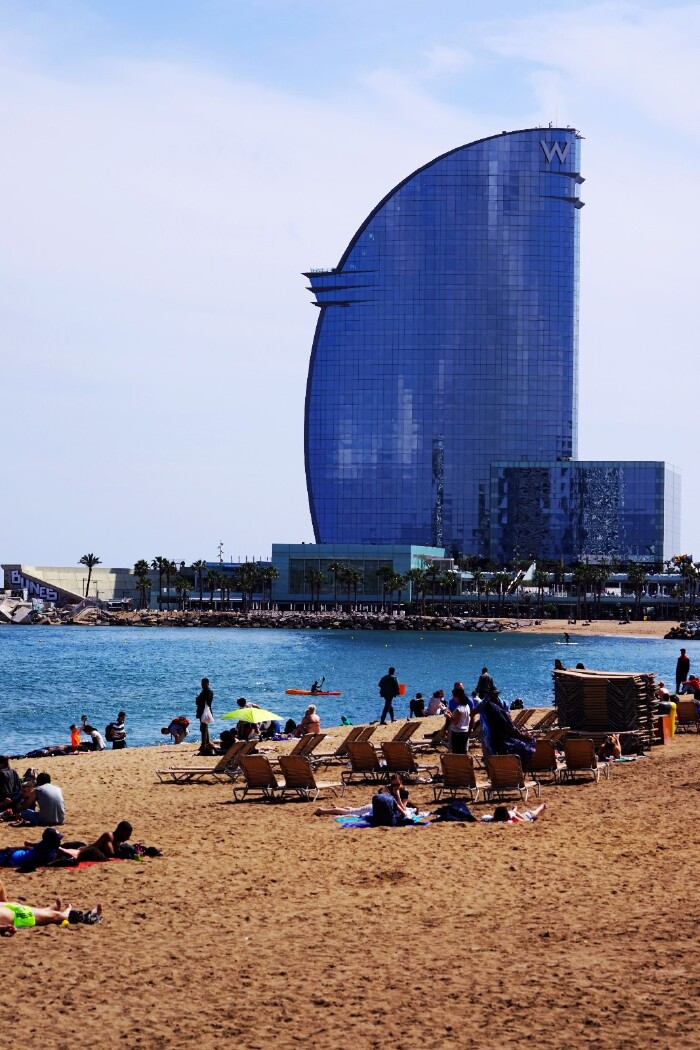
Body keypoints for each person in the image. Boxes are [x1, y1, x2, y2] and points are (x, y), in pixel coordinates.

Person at [0, 881, 102, 935]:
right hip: (19, 917)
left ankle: (47, 910)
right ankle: (83, 916)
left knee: (18, 905)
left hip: (12, 908)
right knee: (55, 916)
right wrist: (5, 928)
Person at [471, 693, 536, 769]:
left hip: (495, 741)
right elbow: (510, 728)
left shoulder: (488, 713)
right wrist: (520, 735)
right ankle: (519, 767)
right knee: (529, 747)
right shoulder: (498, 711)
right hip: (504, 742)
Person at [55, 820, 133, 864]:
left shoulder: (118, 840)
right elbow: (110, 854)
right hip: (82, 850)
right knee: (58, 850)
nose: (128, 838)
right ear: (120, 832)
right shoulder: (109, 836)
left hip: (86, 851)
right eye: (127, 835)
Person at [195, 678, 214, 754]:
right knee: (205, 728)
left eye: (203, 683)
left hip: (203, 712)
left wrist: (198, 698)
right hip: (206, 711)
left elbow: (199, 702)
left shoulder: (205, 692)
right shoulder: (210, 692)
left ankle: (204, 744)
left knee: (203, 728)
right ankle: (207, 742)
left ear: (206, 683)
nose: (202, 684)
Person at [450, 687, 471, 754]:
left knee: (457, 753)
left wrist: (449, 717)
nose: (453, 698)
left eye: (454, 696)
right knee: (463, 752)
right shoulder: (467, 706)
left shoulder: (459, 709)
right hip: (465, 732)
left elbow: (455, 723)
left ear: (457, 697)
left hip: (457, 733)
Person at [482, 803, 547, 823]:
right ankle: (542, 806)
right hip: (517, 814)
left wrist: (530, 820)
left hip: (522, 815)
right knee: (533, 812)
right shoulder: (510, 816)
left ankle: (542, 806)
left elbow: (523, 819)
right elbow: (523, 820)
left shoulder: (495, 818)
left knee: (535, 812)